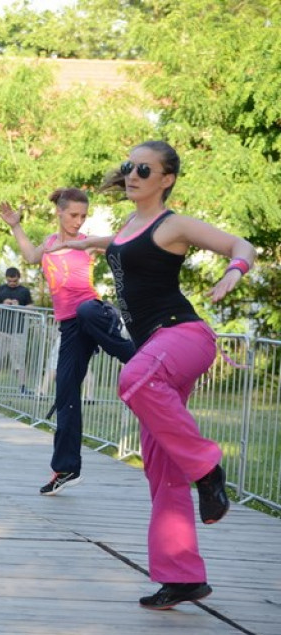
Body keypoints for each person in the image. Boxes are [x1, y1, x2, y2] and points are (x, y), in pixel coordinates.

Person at [64, 140, 254, 610]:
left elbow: (240, 244)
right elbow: (126, 247)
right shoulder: (131, 224)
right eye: (128, 165)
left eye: (144, 169)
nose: (132, 174)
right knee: (161, 467)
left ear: (166, 179)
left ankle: (209, 469)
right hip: (155, 346)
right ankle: (183, 576)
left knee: (134, 381)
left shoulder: (175, 223)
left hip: (184, 337)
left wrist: (234, 270)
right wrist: (90, 242)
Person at [0, 190, 136, 495]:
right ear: (59, 213)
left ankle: (142, 359)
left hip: (92, 314)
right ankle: (66, 467)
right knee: (65, 393)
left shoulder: (85, 243)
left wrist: (130, 226)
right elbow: (31, 257)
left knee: (87, 309)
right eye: (73, 215)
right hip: (70, 326)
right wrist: (15, 226)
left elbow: (119, 241)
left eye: (83, 216)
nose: (78, 221)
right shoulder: (49, 243)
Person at [0, 267, 33, 393]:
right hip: (0, 331)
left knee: (19, 361)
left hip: (18, 332)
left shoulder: (24, 291)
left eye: (15, 281)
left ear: (19, 278)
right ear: (6, 279)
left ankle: (23, 387)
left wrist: (19, 307)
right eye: (10, 281)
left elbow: (32, 309)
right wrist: (2, 305)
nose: (12, 283)